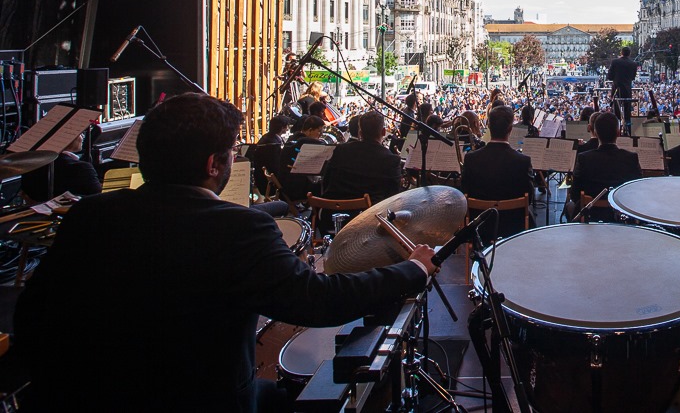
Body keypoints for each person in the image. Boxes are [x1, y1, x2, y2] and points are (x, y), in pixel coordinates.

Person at [14, 93, 436, 413]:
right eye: (232, 152)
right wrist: (411, 269)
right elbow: (319, 302)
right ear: (215, 164)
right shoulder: (237, 227)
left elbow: (30, 314)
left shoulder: (89, 215)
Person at [459, 105, 536, 241]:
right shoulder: (523, 161)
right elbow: (529, 198)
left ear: (488, 126)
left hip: (480, 227)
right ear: (510, 130)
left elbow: (465, 192)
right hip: (514, 228)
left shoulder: (470, 159)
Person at [568, 112, 642, 220]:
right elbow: (637, 191)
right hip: (622, 218)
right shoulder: (631, 158)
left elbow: (575, 195)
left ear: (596, 133)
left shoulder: (584, 158)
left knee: (569, 207)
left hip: (591, 217)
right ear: (618, 132)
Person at [322, 110, 402, 205]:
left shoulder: (340, 150)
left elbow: (326, 181)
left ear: (360, 132)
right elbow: (393, 196)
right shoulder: (391, 159)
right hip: (369, 216)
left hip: (332, 212)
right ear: (384, 132)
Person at [21, 132, 101, 202]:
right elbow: (97, 200)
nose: (83, 136)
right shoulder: (81, 167)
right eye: (80, 133)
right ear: (67, 138)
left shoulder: (31, 163)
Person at [606, 47, 639, 130]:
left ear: (621, 53)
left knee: (616, 107)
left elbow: (609, 76)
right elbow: (633, 77)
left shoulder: (615, 62)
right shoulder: (633, 64)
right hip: (627, 89)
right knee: (627, 109)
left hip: (617, 88)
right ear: (629, 53)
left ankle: (616, 126)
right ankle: (628, 128)